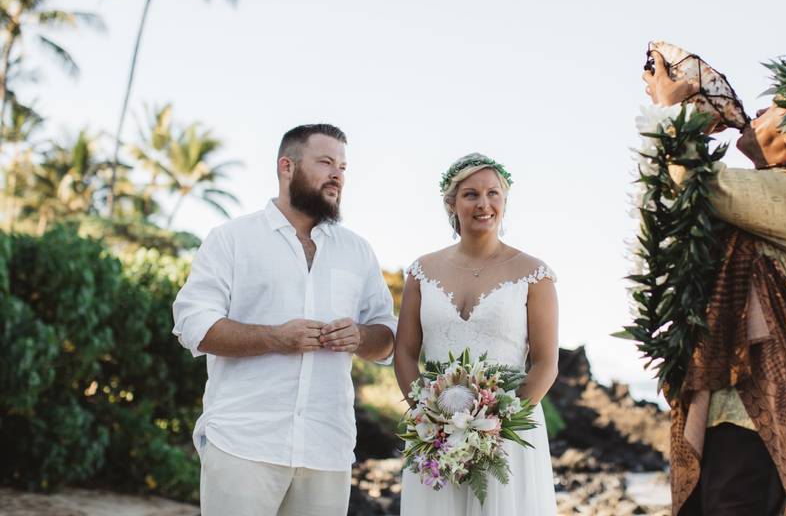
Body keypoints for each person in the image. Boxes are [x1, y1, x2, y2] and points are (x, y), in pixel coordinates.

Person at [643, 50, 786, 516]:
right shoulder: (778, 198)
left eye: (772, 108)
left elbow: (704, 186)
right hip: (735, 412)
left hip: (758, 417)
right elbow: (683, 199)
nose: (757, 113)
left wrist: (674, 110)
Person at [172, 123, 398, 516]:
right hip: (244, 442)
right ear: (286, 166)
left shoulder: (357, 251)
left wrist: (359, 337)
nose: (337, 175)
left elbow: (388, 336)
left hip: (327, 447)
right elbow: (195, 324)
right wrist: (275, 338)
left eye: (343, 167)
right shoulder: (232, 238)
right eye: (326, 162)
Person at [394, 153, 559, 515]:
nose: (484, 204)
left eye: (493, 193)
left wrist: (498, 427)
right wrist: (428, 418)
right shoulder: (421, 272)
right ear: (451, 203)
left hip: (509, 436)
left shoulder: (535, 274)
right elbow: (405, 353)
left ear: (505, 199)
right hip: (435, 437)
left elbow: (546, 363)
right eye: (470, 195)